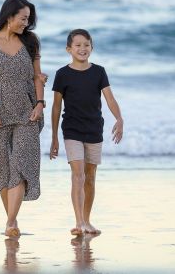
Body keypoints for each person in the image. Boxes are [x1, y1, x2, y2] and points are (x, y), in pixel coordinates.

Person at [0, 0, 44, 238]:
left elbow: (37, 76)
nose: (26, 23)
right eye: (23, 18)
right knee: (4, 167)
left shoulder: (31, 41)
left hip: (28, 110)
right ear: (9, 16)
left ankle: (11, 221)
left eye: (28, 19)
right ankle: (11, 223)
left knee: (20, 163)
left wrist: (40, 104)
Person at [49, 28, 124, 235]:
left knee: (90, 176)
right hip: (71, 129)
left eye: (86, 45)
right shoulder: (62, 74)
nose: (82, 49)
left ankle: (87, 220)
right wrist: (54, 137)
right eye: (78, 45)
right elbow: (56, 107)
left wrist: (119, 118)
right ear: (69, 49)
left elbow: (109, 98)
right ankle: (79, 222)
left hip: (94, 129)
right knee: (78, 175)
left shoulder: (99, 72)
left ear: (92, 47)